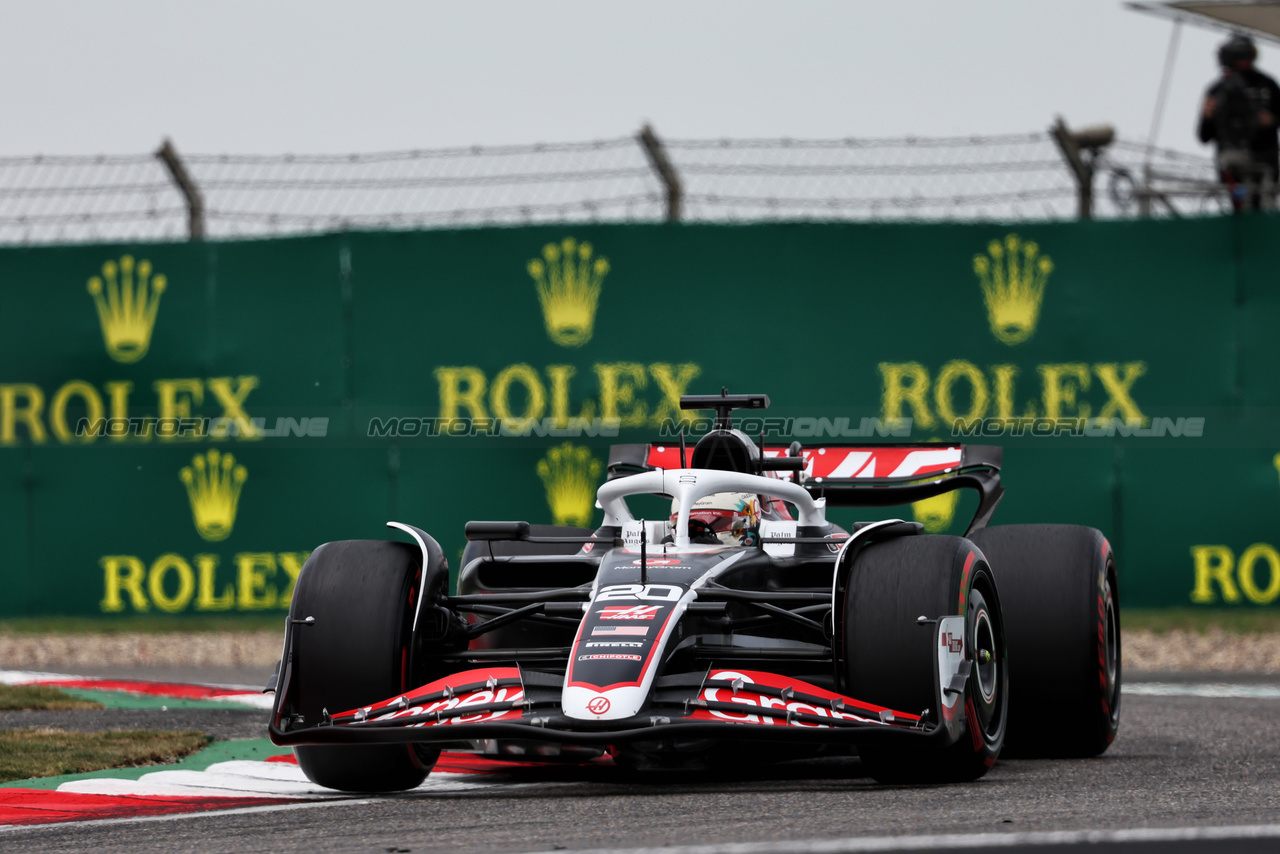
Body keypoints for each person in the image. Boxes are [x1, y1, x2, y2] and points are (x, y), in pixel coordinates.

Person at [1198, 34, 1280, 211]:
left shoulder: (1266, 85)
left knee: (1266, 210)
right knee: (1242, 207)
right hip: (1234, 167)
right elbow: (1204, 136)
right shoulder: (1218, 90)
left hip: (1265, 163)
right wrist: (1208, 117)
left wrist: (1271, 120)